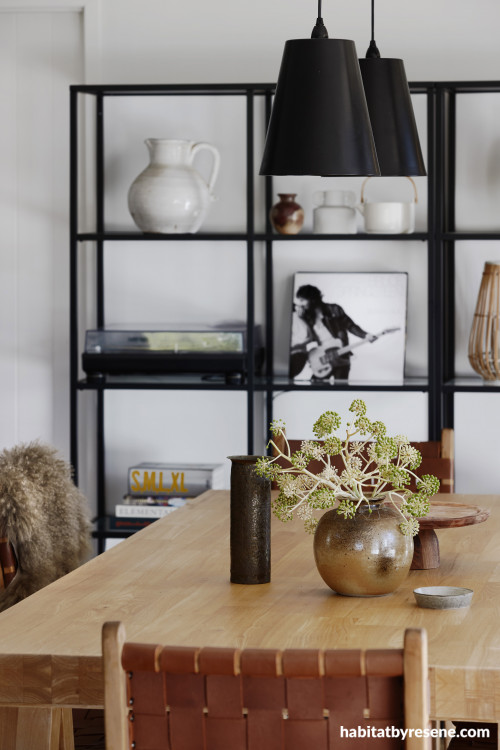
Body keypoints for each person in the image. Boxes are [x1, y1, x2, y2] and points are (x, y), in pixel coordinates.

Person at [290, 284, 378, 381]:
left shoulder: (334, 309)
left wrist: (366, 335)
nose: (300, 304)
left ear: (312, 299)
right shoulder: (306, 315)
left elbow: (351, 325)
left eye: (302, 300)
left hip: (340, 355)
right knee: (315, 387)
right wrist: (295, 308)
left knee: (340, 389)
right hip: (323, 357)